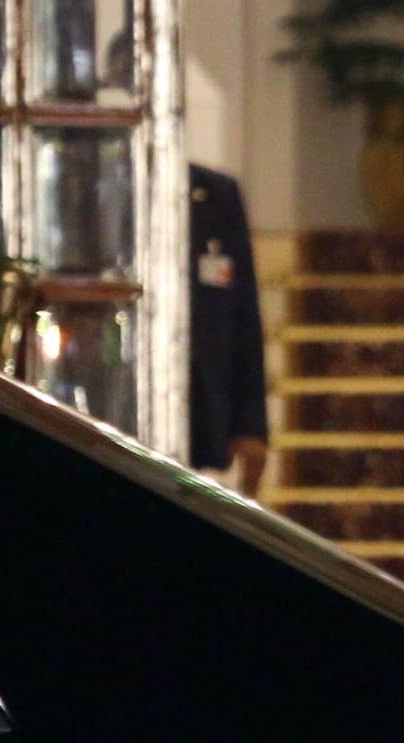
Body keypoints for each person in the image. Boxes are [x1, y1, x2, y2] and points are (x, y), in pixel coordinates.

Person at [187, 164, 268, 496]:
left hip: (203, 411)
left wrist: (251, 425)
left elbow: (244, 314)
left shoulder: (217, 195)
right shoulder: (113, 178)